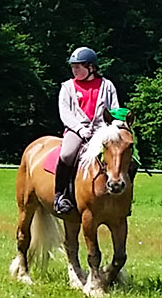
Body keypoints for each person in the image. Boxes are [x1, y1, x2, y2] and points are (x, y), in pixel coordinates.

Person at [54, 47, 121, 215]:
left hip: (103, 130)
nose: (74, 70)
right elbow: (65, 113)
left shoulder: (107, 86)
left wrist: (115, 126)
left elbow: (114, 109)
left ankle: (124, 195)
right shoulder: (68, 87)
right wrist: (79, 129)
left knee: (125, 153)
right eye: (73, 67)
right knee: (67, 154)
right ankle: (60, 196)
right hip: (76, 130)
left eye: (78, 67)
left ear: (91, 67)